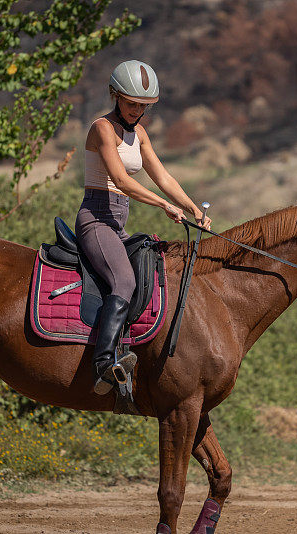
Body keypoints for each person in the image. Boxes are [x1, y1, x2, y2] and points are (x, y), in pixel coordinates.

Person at [77, 59, 212, 394]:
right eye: (131, 102)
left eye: (144, 105)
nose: (137, 110)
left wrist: (192, 206)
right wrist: (163, 205)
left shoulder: (139, 133)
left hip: (117, 223)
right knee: (123, 280)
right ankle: (104, 364)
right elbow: (121, 180)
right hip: (95, 220)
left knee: (152, 272)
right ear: (115, 95)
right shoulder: (102, 128)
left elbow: (161, 175)